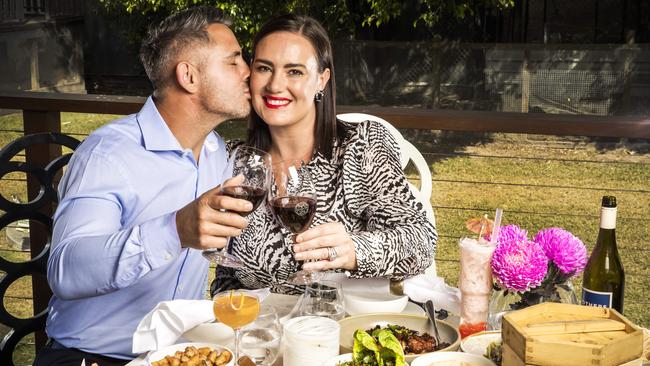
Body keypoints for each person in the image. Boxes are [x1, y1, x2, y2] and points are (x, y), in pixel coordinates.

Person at [35, 7, 253, 365]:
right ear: (189, 76)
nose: (248, 72)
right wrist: (174, 229)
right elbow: (65, 271)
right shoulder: (108, 154)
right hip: (89, 357)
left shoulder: (216, 152)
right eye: (234, 62)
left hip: (176, 355)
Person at [212, 14, 438, 295]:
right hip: (259, 331)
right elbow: (227, 273)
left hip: (340, 328)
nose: (274, 85)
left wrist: (355, 250)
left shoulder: (361, 145)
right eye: (264, 68)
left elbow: (421, 241)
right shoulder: (233, 160)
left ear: (322, 79)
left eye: (294, 71)